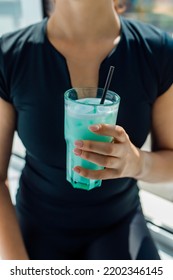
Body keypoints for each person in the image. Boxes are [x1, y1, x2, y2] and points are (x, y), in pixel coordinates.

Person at [0, 0, 173, 260]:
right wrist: (19, 269)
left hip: (121, 224)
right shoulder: (10, 55)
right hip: (37, 226)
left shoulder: (158, 51)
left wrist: (137, 163)